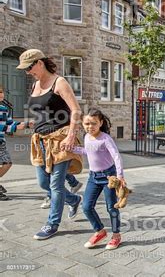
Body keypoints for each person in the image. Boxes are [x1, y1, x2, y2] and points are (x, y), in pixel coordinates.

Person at [18, 49, 83, 240]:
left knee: (55, 184)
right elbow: (42, 112)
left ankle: (52, 224)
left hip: (60, 140)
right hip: (40, 140)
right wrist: (30, 122)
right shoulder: (35, 85)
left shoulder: (59, 82)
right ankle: (74, 199)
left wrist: (71, 136)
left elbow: (76, 110)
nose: (28, 72)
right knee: (43, 182)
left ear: (40, 63)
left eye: (29, 68)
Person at [71, 109, 124, 250]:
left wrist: (120, 176)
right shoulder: (87, 137)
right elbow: (88, 152)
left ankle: (116, 236)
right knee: (86, 207)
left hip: (109, 177)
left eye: (94, 123)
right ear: (82, 123)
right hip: (93, 177)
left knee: (111, 208)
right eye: (87, 123)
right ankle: (100, 231)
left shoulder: (105, 138)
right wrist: (73, 149)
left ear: (101, 123)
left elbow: (116, 157)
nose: (90, 126)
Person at [0, 89, 28, 200]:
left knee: (7, 163)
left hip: (1, 142)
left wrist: (24, 124)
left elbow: (10, 122)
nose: (1, 95)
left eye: (1, 92)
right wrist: (15, 128)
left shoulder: (3, 109)